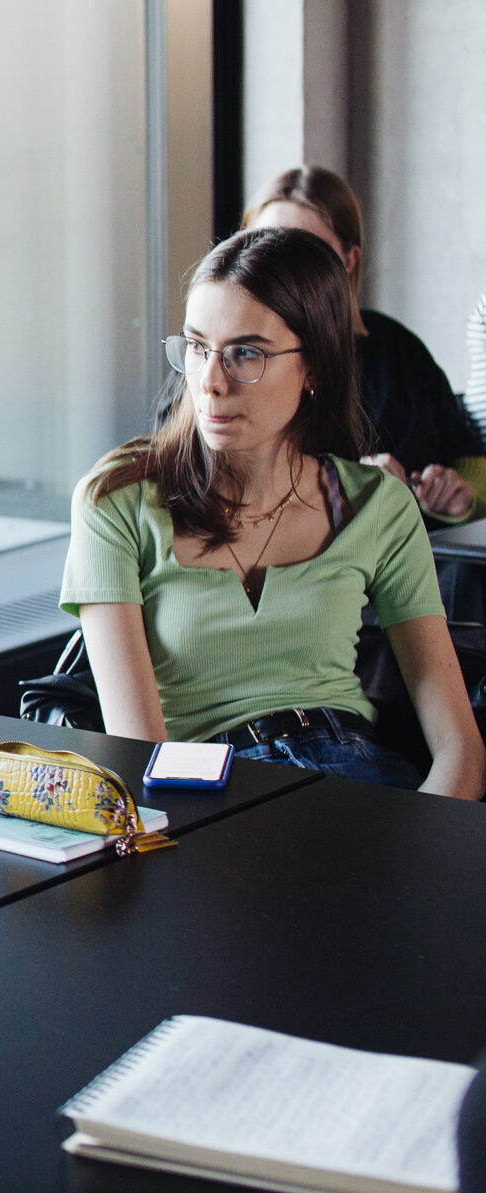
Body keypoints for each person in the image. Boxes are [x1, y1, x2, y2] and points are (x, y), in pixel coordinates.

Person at [62, 227, 484, 798]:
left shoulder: (377, 506)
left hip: (357, 775)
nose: (211, 382)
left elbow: (461, 750)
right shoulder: (117, 499)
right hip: (205, 789)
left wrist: (423, 841)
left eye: (246, 353)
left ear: (314, 368)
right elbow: (140, 760)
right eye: (197, 347)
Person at [243, 165, 485, 523]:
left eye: (310, 253)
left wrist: (462, 497)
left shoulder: (399, 351)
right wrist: (342, 484)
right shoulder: (217, 359)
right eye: (265, 247)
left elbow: (467, 456)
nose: (287, 269)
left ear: (349, 259)